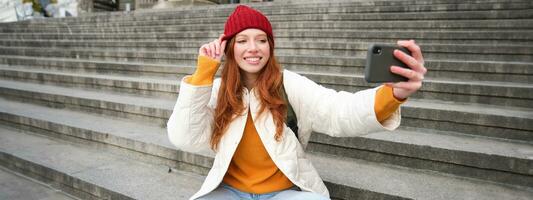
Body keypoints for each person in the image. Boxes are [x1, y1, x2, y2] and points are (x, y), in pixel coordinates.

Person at [167, 5, 426, 200]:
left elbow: (338, 111)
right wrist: (202, 75)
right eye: (243, 40)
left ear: (270, 46)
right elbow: (184, 138)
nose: (253, 48)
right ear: (230, 48)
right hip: (229, 192)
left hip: (284, 193)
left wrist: (393, 95)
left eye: (261, 40)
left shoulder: (289, 84)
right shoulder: (214, 90)